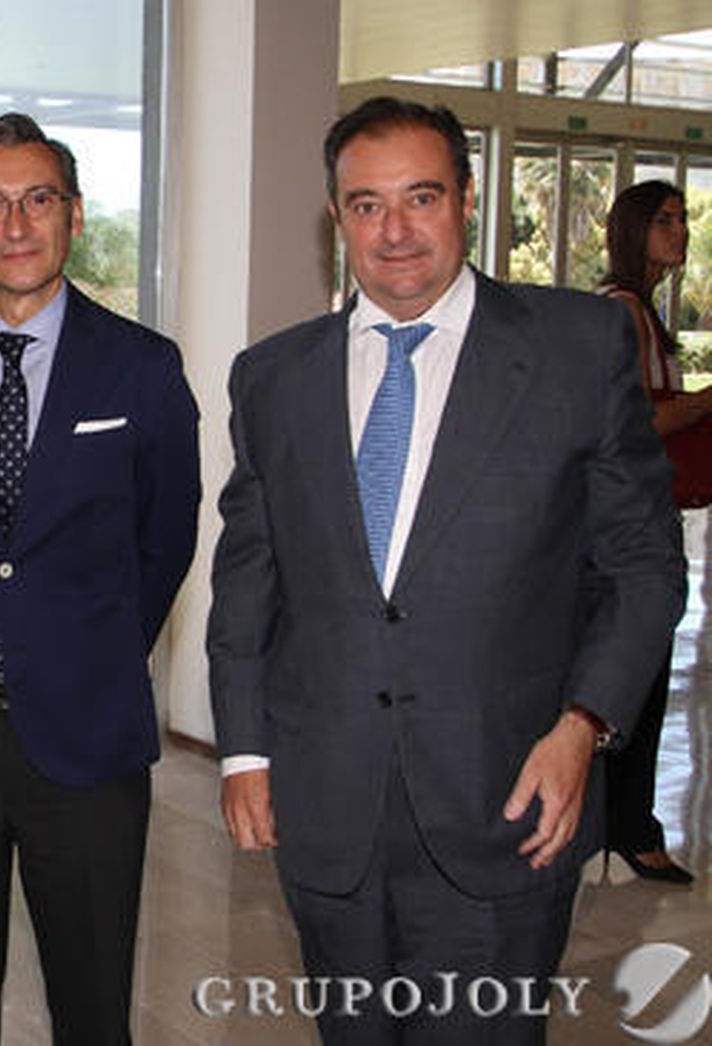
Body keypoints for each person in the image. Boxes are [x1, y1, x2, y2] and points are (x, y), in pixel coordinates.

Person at [208, 96, 686, 1044]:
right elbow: (249, 580)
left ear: (467, 199)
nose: (395, 230)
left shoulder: (574, 348)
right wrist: (245, 753)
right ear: (337, 217)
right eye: (367, 205)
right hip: (326, 810)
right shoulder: (273, 377)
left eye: (421, 197)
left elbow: (643, 564)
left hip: (507, 801)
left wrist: (584, 725)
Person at [0, 112, 201, 1044]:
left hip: (89, 741)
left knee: (93, 1007)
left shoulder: (142, 368)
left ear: (75, 214)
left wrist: (87, 648)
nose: (15, 225)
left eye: (37, 200)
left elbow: (166, 536)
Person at [598, 179, 704, 884]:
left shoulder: (643, 310)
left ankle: (630, 824)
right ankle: (630, 828)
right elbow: (639, 420)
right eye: (665, 220)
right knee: (638, 666)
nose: (680, 231)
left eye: (682, 219)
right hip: (631, 516)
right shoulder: (624, 309)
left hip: (648, 508)